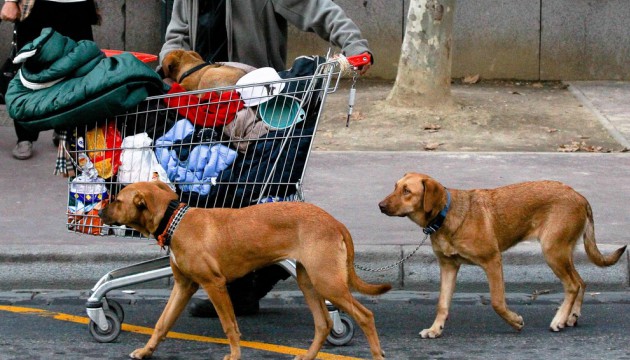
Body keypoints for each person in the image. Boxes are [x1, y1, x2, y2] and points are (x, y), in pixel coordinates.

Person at [160, 0, 372, 318]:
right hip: (201, 106)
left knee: (241, 192)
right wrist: (166, 66)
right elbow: (176, 37)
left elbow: (319, 9)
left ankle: (258, 273)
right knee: (220, 194)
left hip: (255, 104)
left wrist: (354, 45)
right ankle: (245, 286)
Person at [1, 0, 100, 160]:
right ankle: (25, 136)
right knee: (29, 69)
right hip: (38, 6)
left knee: (78, 69)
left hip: (78, 5)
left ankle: (65, 130)